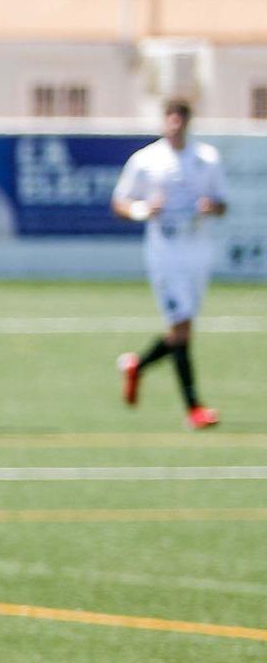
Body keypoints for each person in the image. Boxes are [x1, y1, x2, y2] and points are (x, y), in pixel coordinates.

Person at [113, 99, 227, 430]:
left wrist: (212, 207)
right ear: (164, 122)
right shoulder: (146, 160)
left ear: (188, 122)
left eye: (181, 119)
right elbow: (120, 202)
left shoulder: (207, 158)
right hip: (166, 251)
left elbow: (222, 204)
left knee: (182, 329)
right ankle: (193, 408)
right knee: (181, 327)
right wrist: (143, 210)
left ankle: (137, 365)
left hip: (198, 248)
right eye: (170, 119)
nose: (175, 125)